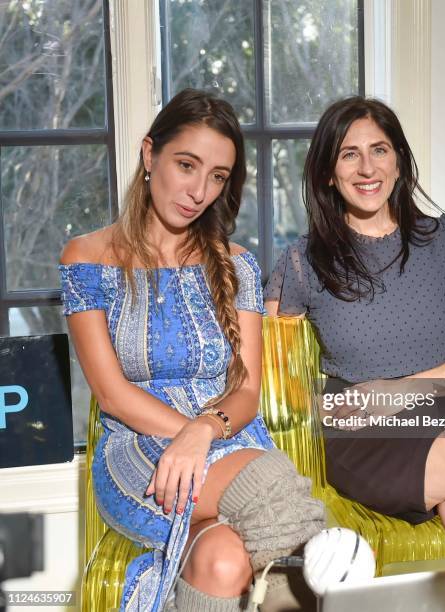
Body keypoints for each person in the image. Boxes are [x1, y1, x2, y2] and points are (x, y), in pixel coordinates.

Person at [264, 96, 445, 566]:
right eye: (349, 154)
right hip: (369, 434)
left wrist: (400, 391)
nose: (367, 167)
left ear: (399, 161)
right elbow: (271, 375)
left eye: (380, 150)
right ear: (327, 172)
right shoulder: (304, 262)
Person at [59, 89, 324, 612]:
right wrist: (183, 435)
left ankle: (326, 576)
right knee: (271, 482)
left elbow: (247, 389)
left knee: (222, 561)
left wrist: (203, 430)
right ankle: (341, 581)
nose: (199, 190)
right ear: (148, 154)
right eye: (186, 165)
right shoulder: (86, 258)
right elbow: (110, 394)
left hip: (226, 435)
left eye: (218, 176)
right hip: (139, 451)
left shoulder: (238, 264)